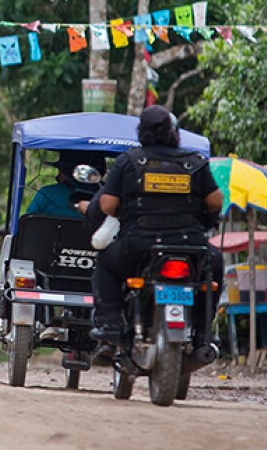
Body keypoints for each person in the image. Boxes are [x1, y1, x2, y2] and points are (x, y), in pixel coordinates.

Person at [88, 105, 224, 355]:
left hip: (139, 247)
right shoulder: (194, 162)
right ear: (174, 132)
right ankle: (205, 334)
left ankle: (112, 326)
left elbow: (107, 204)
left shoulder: (129, 160)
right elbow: (216, 201)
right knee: (215, 263)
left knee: (105, 263)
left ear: (141, 131)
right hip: (191, 246)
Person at [27, 152, 106, 218]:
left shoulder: (46, 193)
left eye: (60, 171)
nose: (57, 177)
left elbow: (27, 225)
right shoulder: (108, 200)